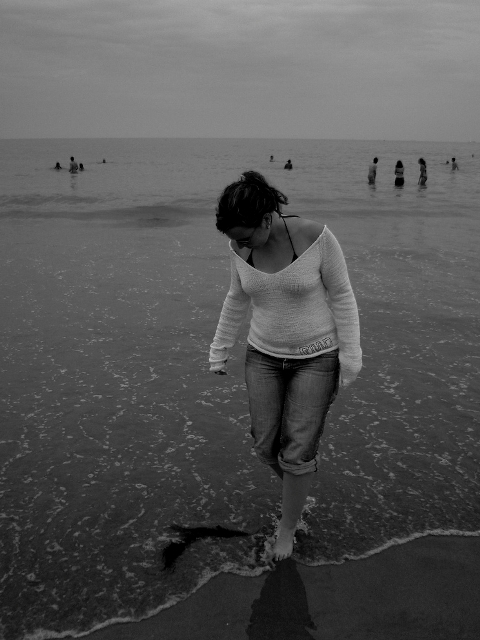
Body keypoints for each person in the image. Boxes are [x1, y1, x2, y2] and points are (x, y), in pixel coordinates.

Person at [209, 171, 362, 561]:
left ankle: (288, 527)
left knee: (295, 454)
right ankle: (300, 482)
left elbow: (342, 295)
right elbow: (235, 297)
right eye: (233, 238)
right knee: (265, 447)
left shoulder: (316, 237)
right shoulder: (238, 247)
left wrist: (351, 356)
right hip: (262, 355)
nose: (238, 244)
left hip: (316, 357)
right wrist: (219, 347)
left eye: (244, 236)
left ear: (266, 218)